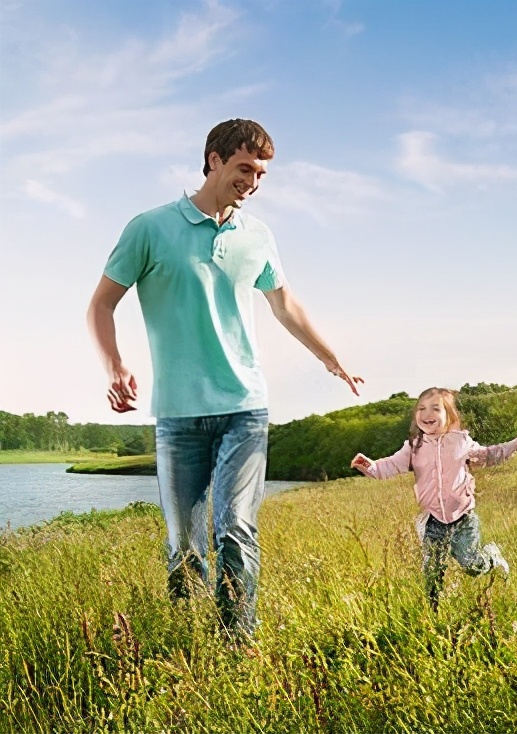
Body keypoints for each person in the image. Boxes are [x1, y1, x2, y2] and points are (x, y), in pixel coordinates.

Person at [87, 119, 362, 639]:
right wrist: (114, 365)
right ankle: (192, 641)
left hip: (244, 405)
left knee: (235, 526)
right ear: (213, 159)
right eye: (245, 169)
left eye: (261, 174)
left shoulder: (257, 235)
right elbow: (101, 304)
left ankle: (236, 642)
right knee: (185, 543)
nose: (253, 182)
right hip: (177, 413)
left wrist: (331, 358)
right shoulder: (149, 227)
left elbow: (285, 304)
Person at [350, 387, 517, 611]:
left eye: (435, 408)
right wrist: (370, 466)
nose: (427, 413)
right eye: (421, 409)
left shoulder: (460, 442)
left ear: (450, 416)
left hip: (463, 519)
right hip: (434, 521)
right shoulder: (414, 447)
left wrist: (515, 443)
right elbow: (390, 465)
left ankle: (492, 558)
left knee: (471, 565)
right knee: (432, 568)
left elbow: (489, 455)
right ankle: (434, 610)